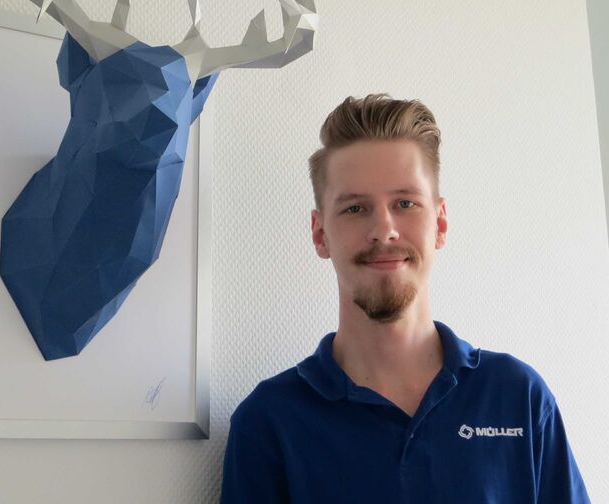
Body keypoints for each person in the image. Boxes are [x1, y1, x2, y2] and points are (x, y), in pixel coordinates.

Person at [220, 94, 591, 503]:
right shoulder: (269, 422)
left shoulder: (518, 398)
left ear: (440, 224)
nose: (384, 230)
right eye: (355, 208)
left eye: (405, 203)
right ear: (320, 233)